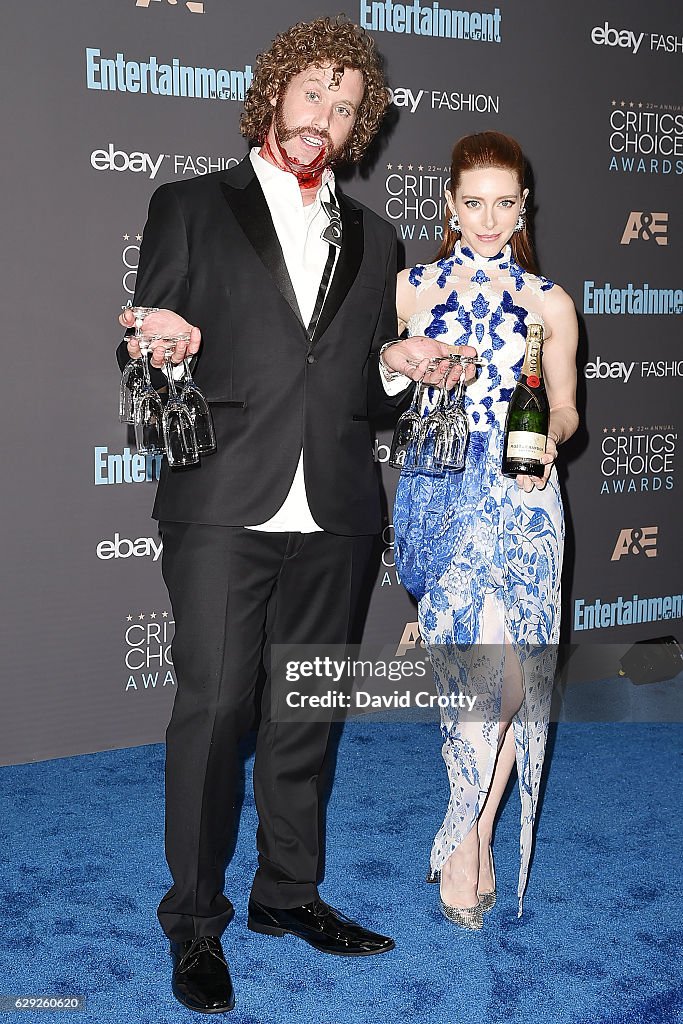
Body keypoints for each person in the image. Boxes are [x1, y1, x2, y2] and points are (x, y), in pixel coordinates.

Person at [116, 16, 469, 1014]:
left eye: (348, 105)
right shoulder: (189, 204)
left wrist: (400, 370)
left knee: (306, 711)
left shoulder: (380, 236)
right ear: (275, 93)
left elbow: (357, 385)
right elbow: (151, 338)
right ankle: (193, 921)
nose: (329, 115)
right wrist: (160, 339)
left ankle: (287, 895)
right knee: (216, 706)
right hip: (225, 494)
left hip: (339, 505)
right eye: (315, 92)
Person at [388, 131, 579, 930]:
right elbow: (381, 382)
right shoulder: (409, 288)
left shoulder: (549, 300)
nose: (489, 218)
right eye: (474, 203)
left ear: (523, 205)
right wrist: (407, 363)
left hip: (526, 505)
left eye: (505, 203)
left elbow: (565, 408)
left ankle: (466, 833)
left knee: (507, 687)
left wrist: (548, 445)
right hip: (446, 503)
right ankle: (472, 838)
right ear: (449, 205)